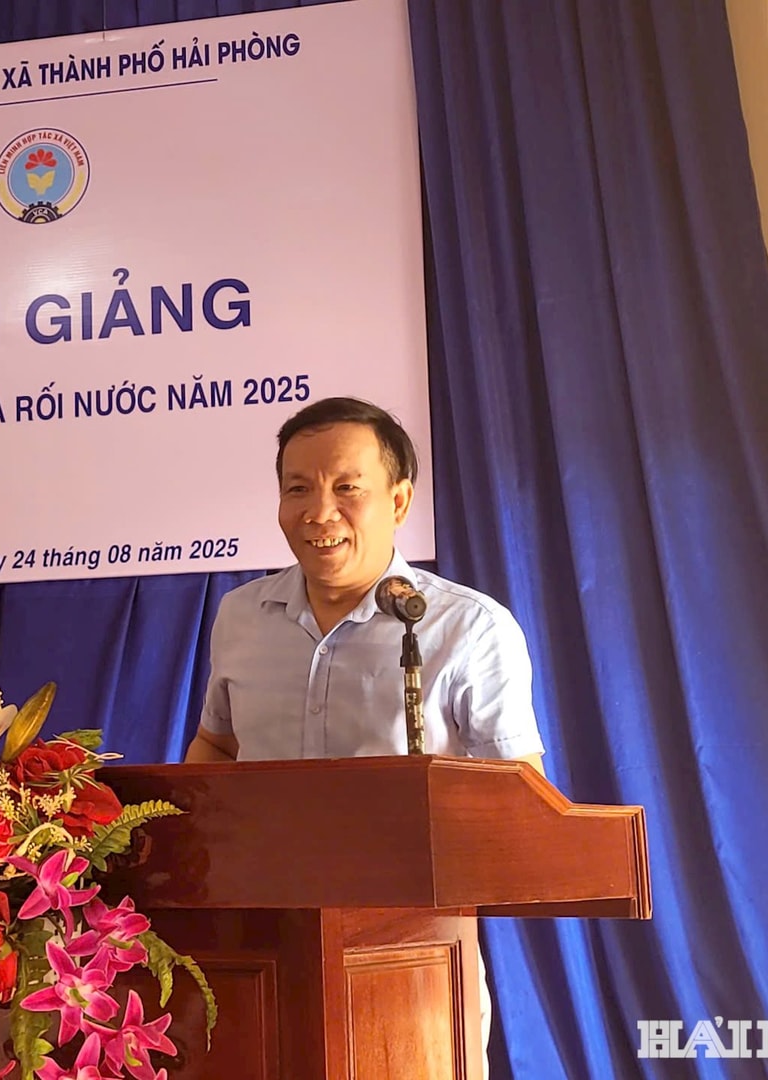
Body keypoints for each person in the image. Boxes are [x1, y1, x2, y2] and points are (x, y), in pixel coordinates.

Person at [184, 397, 545, 1076]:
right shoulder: (241, 617)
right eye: (298, 489)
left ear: (399, 500)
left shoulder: (468, 628)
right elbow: (217, 750)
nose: (319, 512)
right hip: (255, 947)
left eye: (347, 488)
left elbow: (520, 802)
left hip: (410, 955)